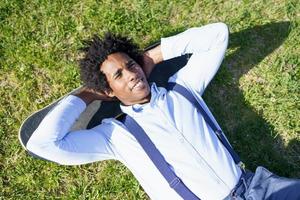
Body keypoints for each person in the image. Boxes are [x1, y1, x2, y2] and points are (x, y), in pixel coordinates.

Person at [26, 23, 300, 200]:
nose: (131, 75)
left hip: (259, 187)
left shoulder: (183, 88)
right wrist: (86, 95)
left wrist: (152, 57)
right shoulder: (115, 136)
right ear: (107, 91)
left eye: (131, 65)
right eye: (118, 76)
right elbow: (43, 144)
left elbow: (218, 35)